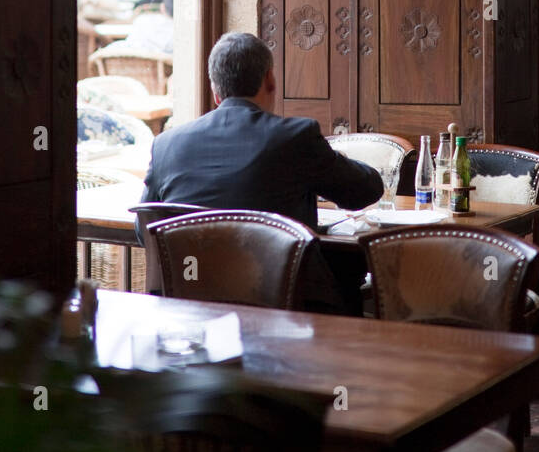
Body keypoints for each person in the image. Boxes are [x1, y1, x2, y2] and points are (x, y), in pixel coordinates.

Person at [137, 31, 383, 312]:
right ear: (270, 79)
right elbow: (366, 190)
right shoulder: (295, 138)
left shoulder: (166, 144)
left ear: (215, 91)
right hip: (282, 307)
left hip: (190, 301)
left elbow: (144, 229)